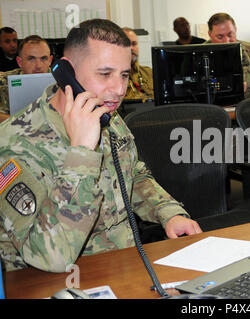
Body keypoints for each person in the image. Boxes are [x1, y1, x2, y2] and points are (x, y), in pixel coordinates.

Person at [0, 19, 201, 273]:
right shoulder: (14, 144)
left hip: (122, 266)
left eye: (124, 74)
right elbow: (50, 258)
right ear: (67, 72)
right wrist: (82, 152)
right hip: (54, 282)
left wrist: (168, 212)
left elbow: (133, 173)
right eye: (105, 74)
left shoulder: (108, 116)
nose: (118, 89)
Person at [207, 13, 250, 98]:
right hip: (214, 106)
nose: (226, 41)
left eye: (230, 35)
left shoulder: (249, 50)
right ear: (210, 34)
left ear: (235, 30)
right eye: (220, 37)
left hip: (245, 104)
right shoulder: (199, 54)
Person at [0, 35, 53, 114]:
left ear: (50, 60)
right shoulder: (4, 81)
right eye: (31, 59)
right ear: (19, 62)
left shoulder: (63, 80)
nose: (38, 65)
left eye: (43, 58)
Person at [122, 27, 154, 101]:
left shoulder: (149, 73)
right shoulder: (113, 78)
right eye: (127, 44)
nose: (131, 48)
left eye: (134, 44)